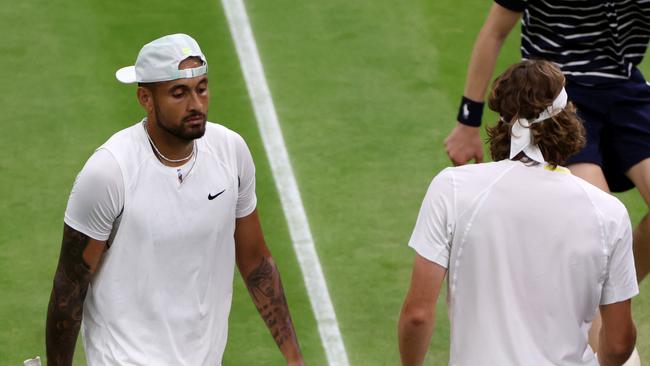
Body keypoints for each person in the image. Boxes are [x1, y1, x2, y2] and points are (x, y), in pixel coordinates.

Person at [45, 33, 304, 366]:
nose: (196, 104)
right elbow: (69, 286)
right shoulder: (109, 172)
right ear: (145, 98)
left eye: (202, 88)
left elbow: (256, 261)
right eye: (179, 93)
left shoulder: (231, 153)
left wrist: (295, 358)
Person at [400, 60, 638, 365]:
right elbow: (618, 344)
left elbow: (417, 316)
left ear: (503, 122)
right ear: (567, 120)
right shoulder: (609, 212)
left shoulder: (453, 188)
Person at [443, 0, 650, 287]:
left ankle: (604, 299)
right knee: (599, 229)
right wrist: (467, 122)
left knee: (605, 264)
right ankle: (595, 308)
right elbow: (494, 32)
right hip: (556, 97)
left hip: (626, 89)